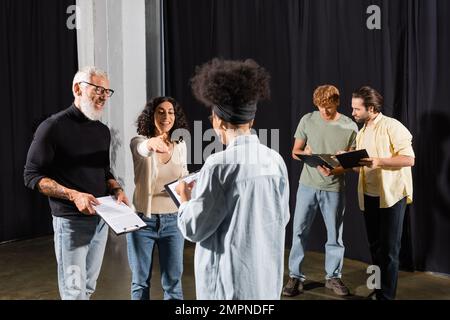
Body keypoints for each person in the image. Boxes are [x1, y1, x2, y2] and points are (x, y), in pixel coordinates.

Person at [175, 58, 290, 300]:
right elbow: (281, 218)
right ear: (252, 120)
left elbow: (195, 228)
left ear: (217, 120)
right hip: (265, 283)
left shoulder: (218, 165)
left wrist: (185, 199)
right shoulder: (275, 160)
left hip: (228, 286)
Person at [23, 66, 129, 300]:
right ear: (77, 89)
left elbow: (103, 170)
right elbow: (31, 175)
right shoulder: (52, 127)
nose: (103, 95)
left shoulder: (102, 131)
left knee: (88, 288)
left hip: (100, 219)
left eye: (107, 91)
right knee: (74, 293)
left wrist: (117, 188)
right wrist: (74, 195)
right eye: (97, 89)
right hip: (70, 224)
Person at [283, 85, 358, 297]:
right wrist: (310, 157)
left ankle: (333, 276)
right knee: (299, 231)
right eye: (320, 106)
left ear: (337, 102)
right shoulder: (307, 120)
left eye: (328, 106)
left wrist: (337, 168)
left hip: (334, 188)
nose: (324, 111)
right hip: (307, 185)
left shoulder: (349, 126)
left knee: (335, 235)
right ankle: (295, 277)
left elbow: (353, 163)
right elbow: (296, 152)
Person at [351, 86, 415, 300]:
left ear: (371, 108)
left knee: (388, 251)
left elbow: (408, 159)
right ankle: (377, 290)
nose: (353, 113)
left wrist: (379, 161)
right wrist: (346, 160)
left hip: (391, 196)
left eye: (356, 109)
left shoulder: (392, 126)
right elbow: (360, 167)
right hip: (369, 195)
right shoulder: (362, 132)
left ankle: (386, 296)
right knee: (375, 248)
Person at [127, 96, 189, 300]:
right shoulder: (138, 141)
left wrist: (189, 185)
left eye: (171, 112)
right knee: (140, 282)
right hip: (142, 222)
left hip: (173, 222)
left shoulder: (180, 145)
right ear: (151, 115)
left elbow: (184, 176)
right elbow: (142, 150)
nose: (166, 116)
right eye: (160, 111)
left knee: (173, 283)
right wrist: (152, 143)